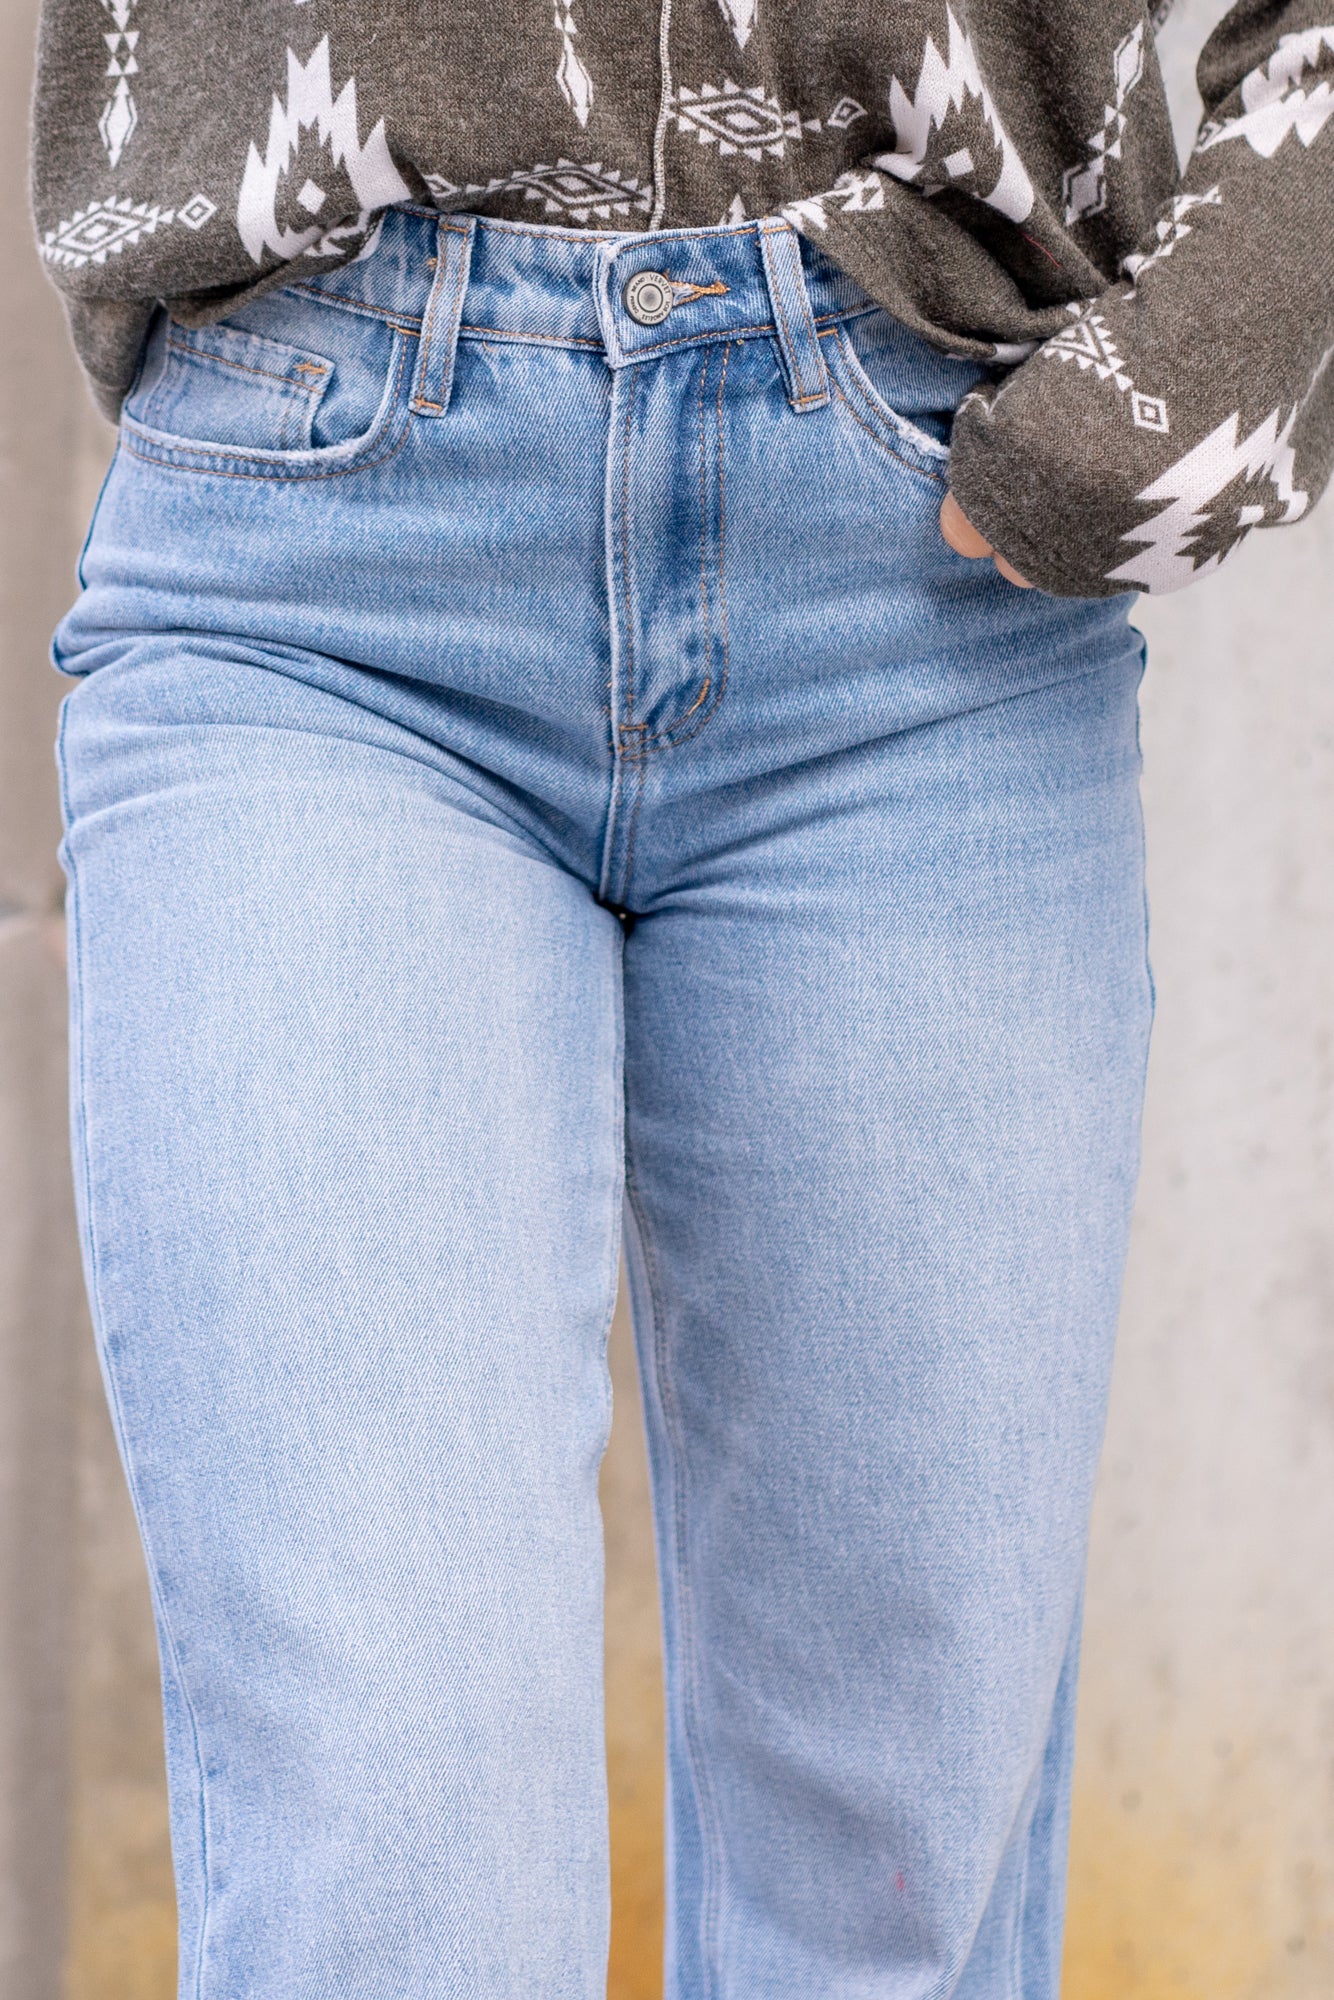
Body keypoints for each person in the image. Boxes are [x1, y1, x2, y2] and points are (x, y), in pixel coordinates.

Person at [32, 3, 1333, 1995]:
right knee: (389, 1863)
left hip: (914, 594)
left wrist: (1158, 415)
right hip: (315, 567)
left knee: (890, 1873)